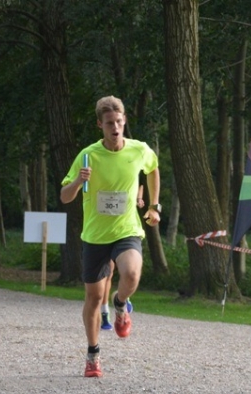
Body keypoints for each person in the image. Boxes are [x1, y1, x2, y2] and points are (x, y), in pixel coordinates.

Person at [60, 95, 161, 377]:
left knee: (132, 273)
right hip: (95, 236)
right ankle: (93, 354)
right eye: (109, 123)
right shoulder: (88, 155)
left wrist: (154, 206)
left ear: (124, 120)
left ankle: (119, 303)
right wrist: (78, 181)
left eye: (118, 121)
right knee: (93, 298)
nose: (115, 128)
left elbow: (153, 169)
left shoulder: (139, 149)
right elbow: (65, 196)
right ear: (100, 125)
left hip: (126, 230)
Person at [100, 188, 143, 330]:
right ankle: (105, 313)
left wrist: (139, 198)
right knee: (108, 273)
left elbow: (141, 181)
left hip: (125, 229)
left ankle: (122, 299)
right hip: (103, 227)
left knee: (128, 268)